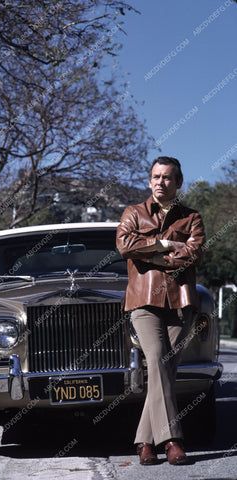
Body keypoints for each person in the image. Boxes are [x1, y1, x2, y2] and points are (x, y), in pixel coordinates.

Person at [116, 156, 205, 465]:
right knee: (156, 360)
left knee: (163, 371)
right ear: (149, 179)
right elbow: (126, 246)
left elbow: (193, 254)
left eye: (167, 177)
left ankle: (144, 442)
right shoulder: (133, 213)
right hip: (143, 302)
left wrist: (152, 255)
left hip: (181, 303)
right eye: (156, 176)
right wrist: (166, 246)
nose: (160, 182)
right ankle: (172, 440)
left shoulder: (192, 218)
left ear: (178, 182)